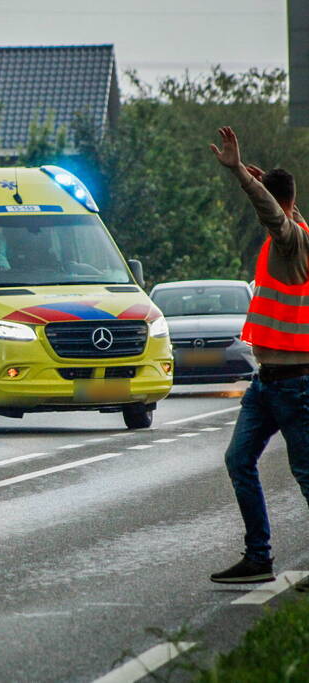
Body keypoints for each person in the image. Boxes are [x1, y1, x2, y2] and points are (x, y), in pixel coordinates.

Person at [208, 126, 309, 584]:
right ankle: (259, 558)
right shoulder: (298, 228)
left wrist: (244, 181)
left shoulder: (292, 242)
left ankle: (260, 556)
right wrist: (258, 176)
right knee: (238, 461)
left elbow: (276, 215)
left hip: (296, 383)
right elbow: (283, 203)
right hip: (266, 383)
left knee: (306, 474)